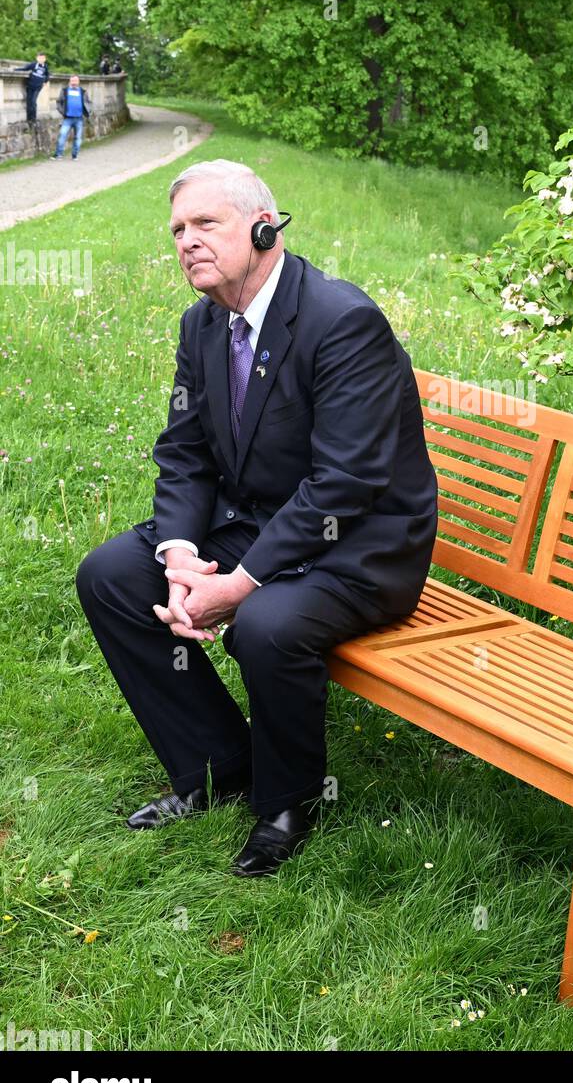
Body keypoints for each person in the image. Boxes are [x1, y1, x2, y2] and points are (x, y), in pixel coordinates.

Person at [75, 160, 438, 876]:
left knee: (267, 627)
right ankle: (215, 767)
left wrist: (239, 585)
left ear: (263, 226)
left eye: (205, 223)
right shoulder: (204, 323)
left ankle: (286, 804)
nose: (186, 241)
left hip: (361, 545)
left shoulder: (342, 321)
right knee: (112, 573)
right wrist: (179, 550)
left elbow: (346, 484)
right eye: (178, 229)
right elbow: (185, 453)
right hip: (265, 520)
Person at [51, 75, 91, 160]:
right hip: (67, 118)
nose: (74, 82)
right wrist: (63, 112)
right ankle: (58, 154)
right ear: (70, 81)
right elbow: (59, 103)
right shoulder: (64, 91)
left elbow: (88, 103)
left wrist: (87, 112)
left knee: (78, 138)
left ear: (78, 82)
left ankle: (74, 155)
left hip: (79, 118)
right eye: (72, 81)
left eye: (76, 81)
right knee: (62, 135)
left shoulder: (83, 91)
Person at [17, 52, 49, 122]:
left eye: (43, 58)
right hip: (30, 86)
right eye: (40, 58)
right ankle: (29, 118)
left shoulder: (45, 66)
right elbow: (25, 69)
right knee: (29, 102)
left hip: (38, 87)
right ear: (37, 58)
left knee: (33, 102)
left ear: (45, 59)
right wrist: (15, 70)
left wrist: (45, 82)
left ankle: (33, 118)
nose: (41, 59)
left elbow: (47, 75)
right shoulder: (34, 64)